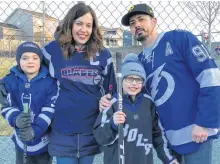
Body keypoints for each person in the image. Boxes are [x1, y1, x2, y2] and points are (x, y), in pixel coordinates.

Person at [99, 3, 220, 164]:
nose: (137, 25)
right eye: (132, 23)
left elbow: (210, 76)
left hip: (197, 132)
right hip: (170, 140)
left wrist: (204, 122)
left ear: (154, 21)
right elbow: (134, 95)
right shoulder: (140, 62)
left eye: (141, 19)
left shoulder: (179, 38)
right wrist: (108, 100)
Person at [41, 3, 116, 164]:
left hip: (90, 130)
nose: (84, 29)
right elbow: (30, 69)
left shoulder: (103, 54)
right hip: (62, 131)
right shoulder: (52, 51)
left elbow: (112, 89)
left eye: (89, 25)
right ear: (70, 24)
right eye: (79, 23)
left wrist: (107, 100)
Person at [93, 53, 178, 164]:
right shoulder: (111, 103)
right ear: (121, 80)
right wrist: (113, 124)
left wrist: (169, 159)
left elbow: (157, 135)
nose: (134, 83)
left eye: (139, 79)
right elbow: (100, 137)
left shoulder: (148, 103)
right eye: (130, 78)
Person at [1, 41, 58, 164]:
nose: (30, 61)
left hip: (43, 141)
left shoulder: (50, 82)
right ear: (18, 61)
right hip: (21, 140)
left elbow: (49, 110)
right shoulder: (10, 81)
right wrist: (16, 119)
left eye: (35, 58)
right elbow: (7, 106)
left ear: (40, 60)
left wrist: (35, 130)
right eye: (24, 58)